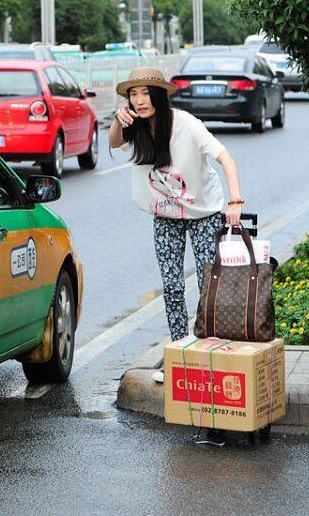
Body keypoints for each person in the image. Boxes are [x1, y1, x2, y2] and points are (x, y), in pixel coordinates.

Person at [109, 67, 244, 385]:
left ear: (158, 95)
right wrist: (118, 120)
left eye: (145, 93)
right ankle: (180, 357)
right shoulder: (135, 126)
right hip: (166, 216)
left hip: (204, 213)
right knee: (171, 288)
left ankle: (209, 354)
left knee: (209, 286)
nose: (139, 100)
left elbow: (226, 158)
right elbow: (114, 142)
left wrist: (235, 201)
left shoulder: (186, 124)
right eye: (133, 94)